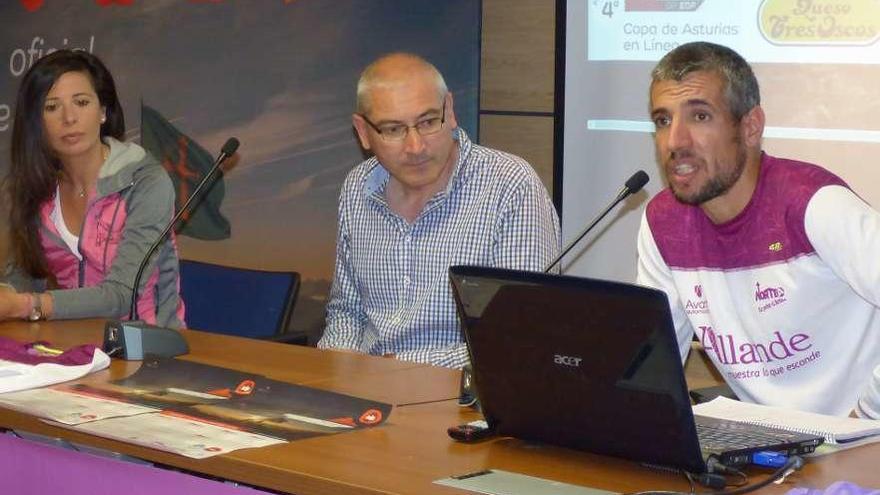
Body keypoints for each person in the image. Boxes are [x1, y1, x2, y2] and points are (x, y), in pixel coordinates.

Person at [636, 41, 880, 418]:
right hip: (772, 449)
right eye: (662, 120)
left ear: (750, 127)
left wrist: (867, 415)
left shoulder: (813, 203)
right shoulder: (663, 222)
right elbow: (652, 368)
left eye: (699, 117)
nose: (675, 142)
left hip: (860, 444)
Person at [318, 53, 560, 368]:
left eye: (429, 122)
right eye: (393, 129)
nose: (416, 146)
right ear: (363, 132)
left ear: (450, 111)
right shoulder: (358, 188)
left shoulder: (508, 185)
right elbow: (346, 312)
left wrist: (399, 369)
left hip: (464, 398)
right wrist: (335, 369)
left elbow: (518, 334)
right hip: (367, 388)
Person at [0, 49, 185, 327]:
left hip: (150, 348)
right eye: (51, 107)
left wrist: (26, 305)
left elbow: (122, 295)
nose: (69, 118)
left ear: (102, 111)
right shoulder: (31, 188)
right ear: (37, 123)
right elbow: (25, 273)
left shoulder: (147, 182)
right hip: (72, 346)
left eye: (81, 102)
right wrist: (7, 293)